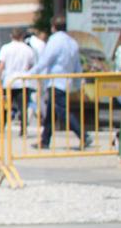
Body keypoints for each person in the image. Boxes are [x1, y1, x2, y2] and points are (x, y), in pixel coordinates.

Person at [37, 16, 89, 149]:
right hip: (66, 82)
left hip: (55, 81)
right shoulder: (72, 42)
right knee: (51, 113)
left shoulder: (54, 40)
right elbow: (77, 66)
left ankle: (84, 135)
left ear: (53, 27)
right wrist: (77, 83)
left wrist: (30, 73)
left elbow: (45, 60)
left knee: (62, 112)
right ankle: (44, 140)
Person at [0, 26, 36, 133]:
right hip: (23, 81)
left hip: (8, 81)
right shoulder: (28, 49)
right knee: (23, 107)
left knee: (5, 106)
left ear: (11, 36)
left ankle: (1, 126)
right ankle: (23, 129)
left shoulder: (6, 48)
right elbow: (31, 65)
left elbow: (1, 65)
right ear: (22, 36)